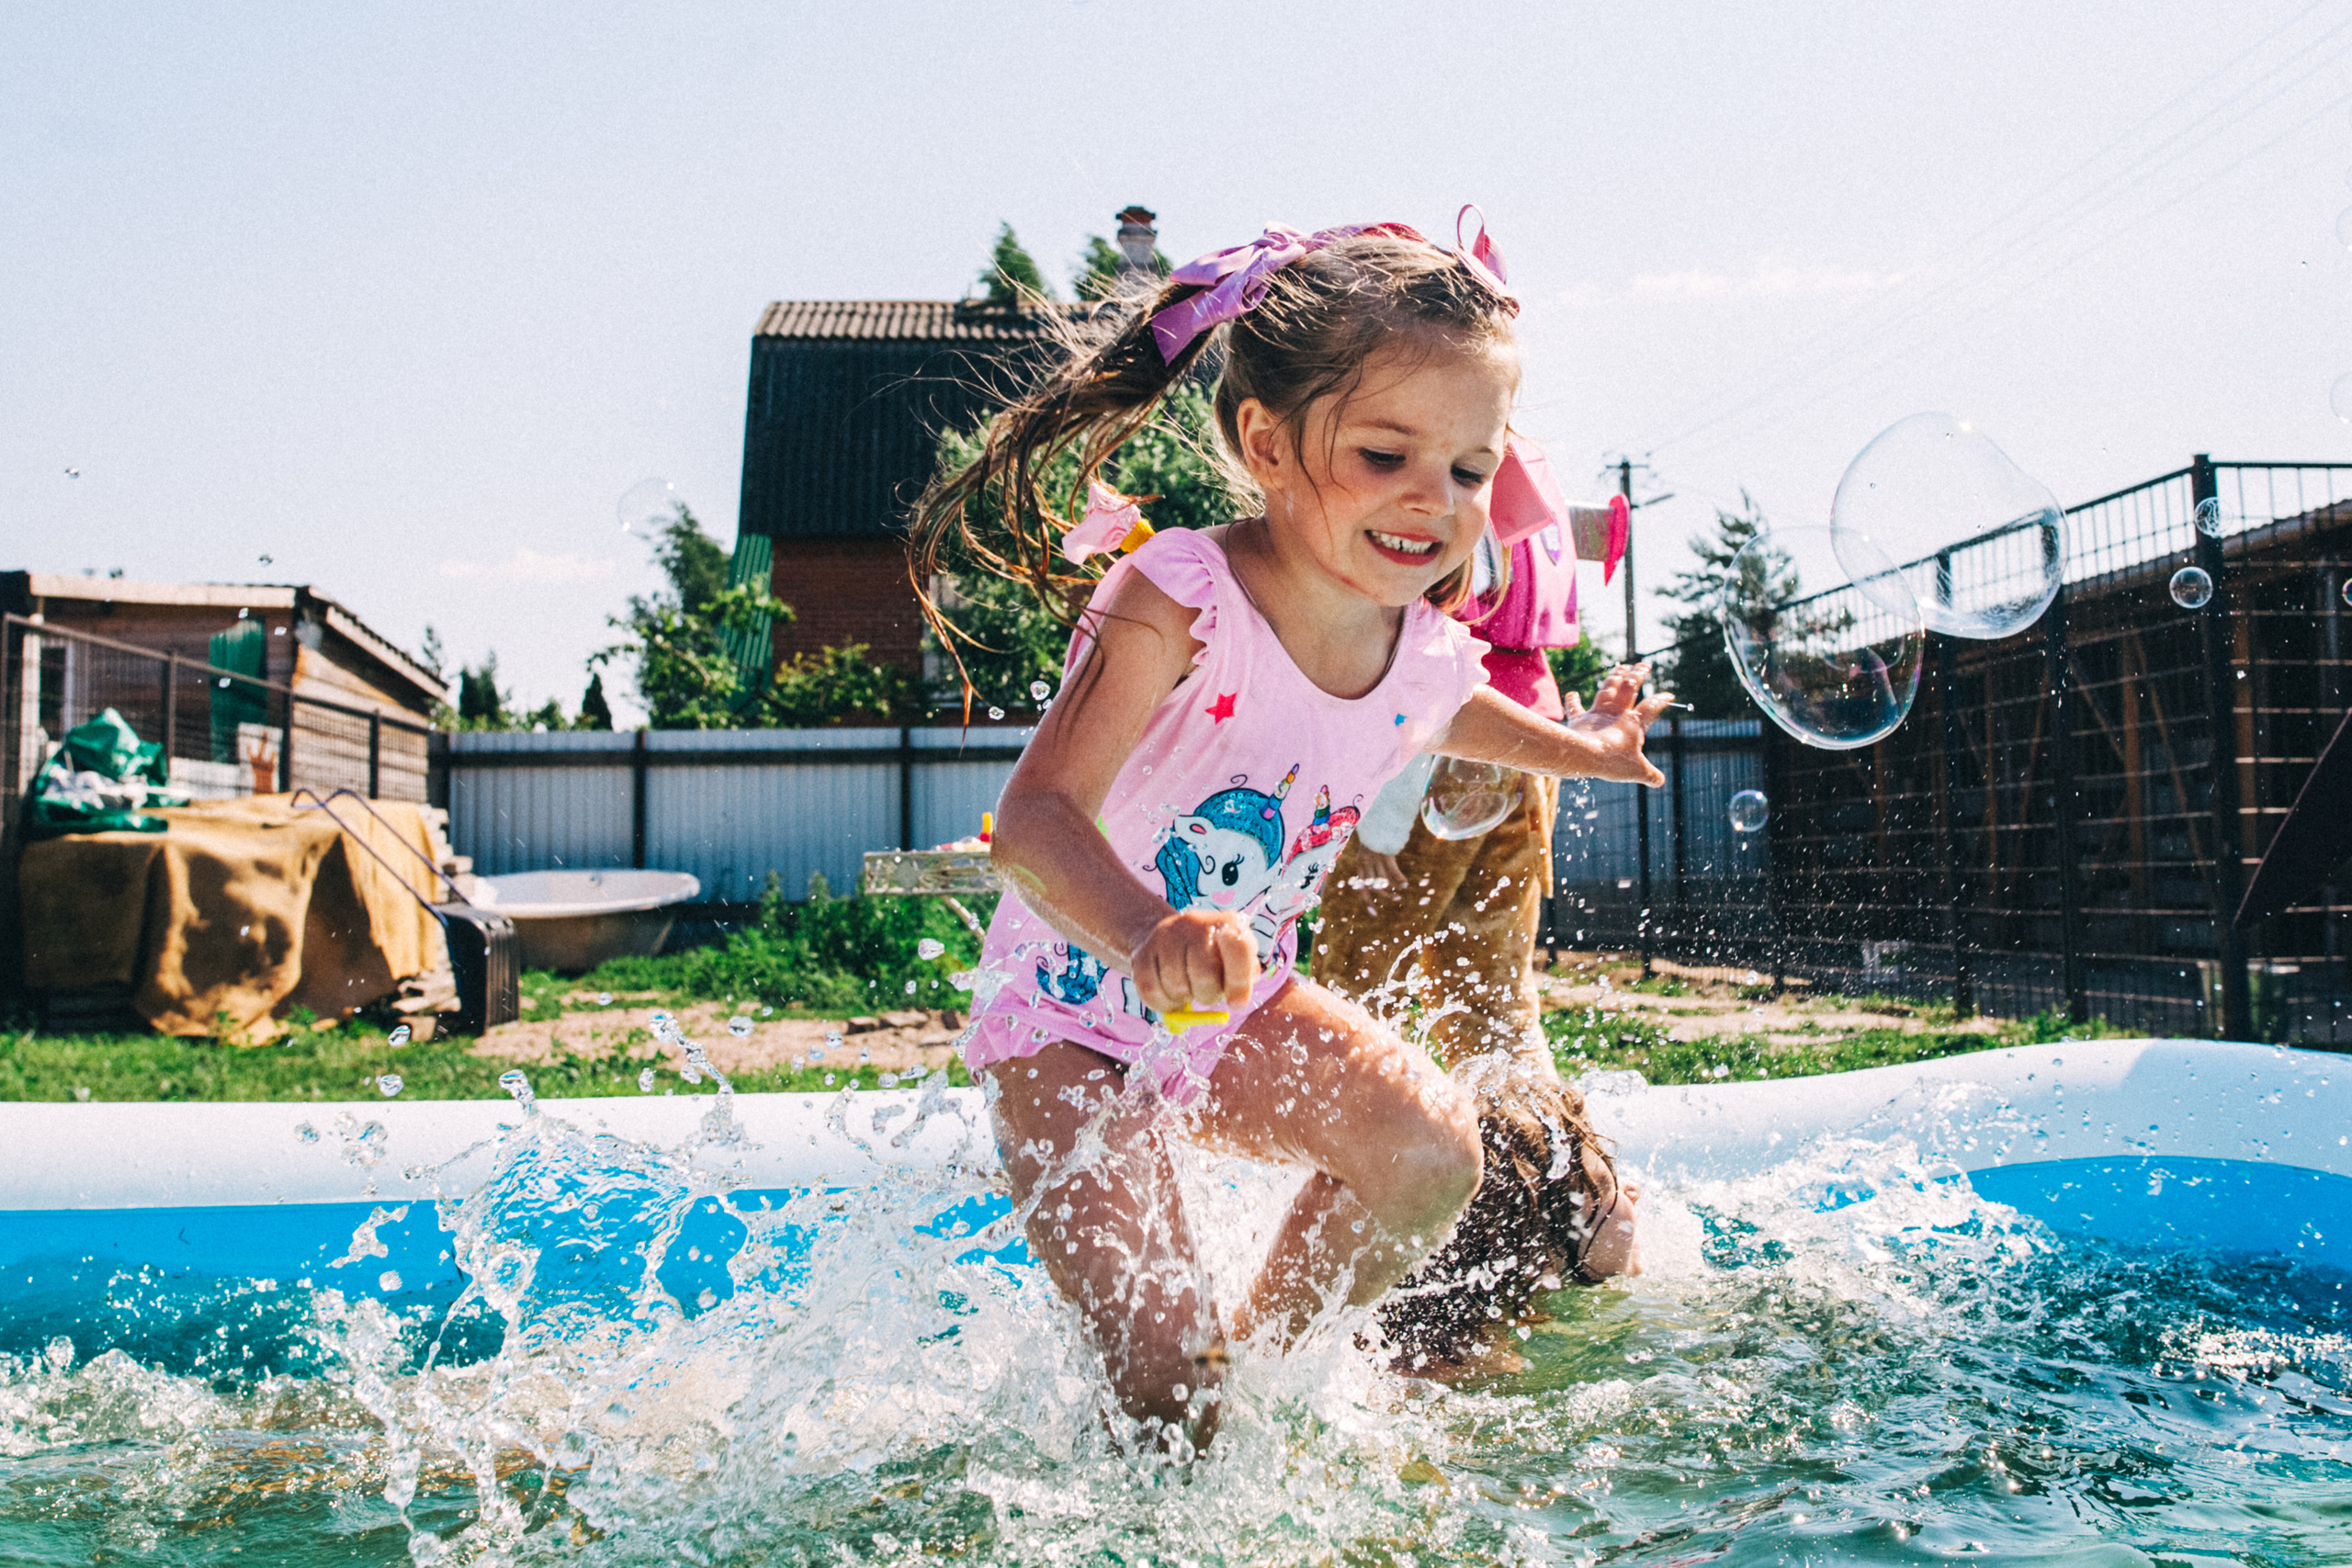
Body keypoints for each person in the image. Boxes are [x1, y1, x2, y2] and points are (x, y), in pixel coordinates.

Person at [908, 215, 1671, 1455]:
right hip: (1068, 1016)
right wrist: (1147, 928)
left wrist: (1583, 747)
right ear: (1266, 442)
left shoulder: (1409, 642)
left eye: (1471, 471)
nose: (1436, 500)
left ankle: (1262, 1369)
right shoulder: (1181, 595)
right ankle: (1187, 1425)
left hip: (1226, 1006)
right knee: (1165, 1378)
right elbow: (1034, 821)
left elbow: (1452, 711)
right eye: (1386, 453)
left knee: (1432, 1153)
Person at [1316, 498, 1643, 1375]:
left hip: (1422, 754)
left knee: (1353, 997)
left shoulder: (1422, 445)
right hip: (1527, 741)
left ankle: (1360, 1228)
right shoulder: (1518, 474)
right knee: (1494, 1005)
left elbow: (1407, 647)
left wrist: (1376, 833)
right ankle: (1576, 1213)